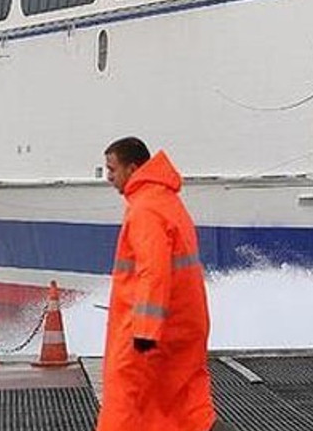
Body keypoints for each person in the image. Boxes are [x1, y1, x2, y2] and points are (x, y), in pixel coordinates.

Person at [96, 137, 228, 431]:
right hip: (185, 323)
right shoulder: (167, 200)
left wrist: (144, 332)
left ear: (132, 168)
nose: (108, 178)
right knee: (185, 397)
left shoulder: (144, 209)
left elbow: (153, 271)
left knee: (125, 398)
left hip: (151, 332)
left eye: (112, 169)